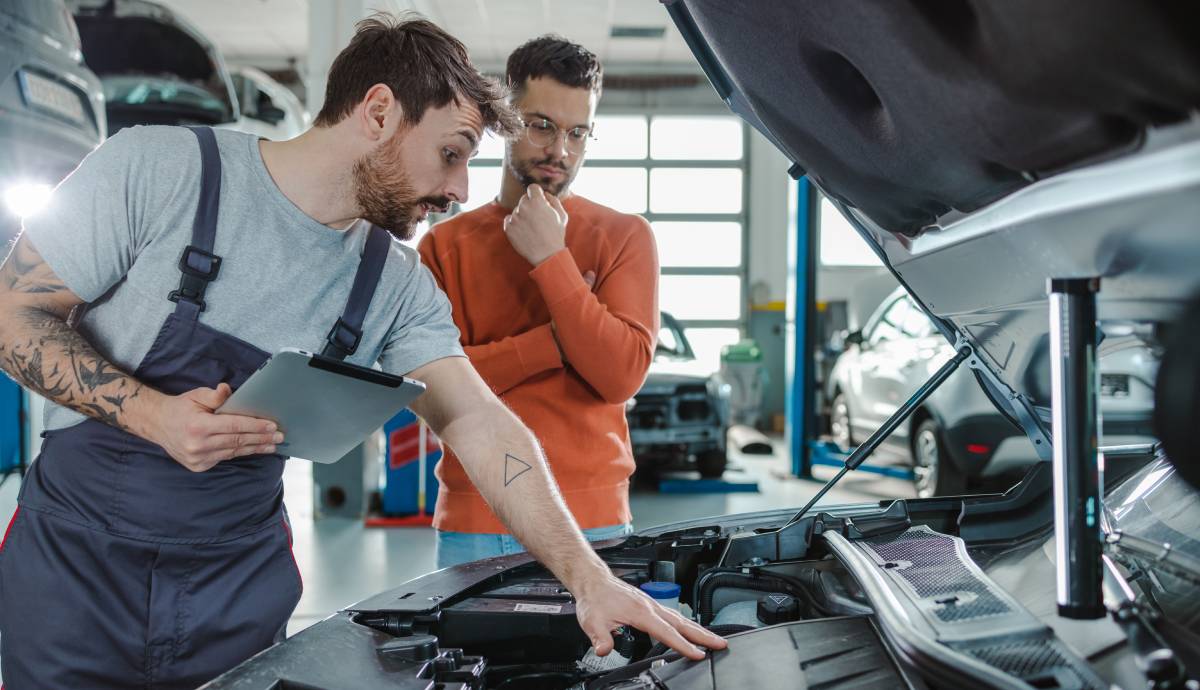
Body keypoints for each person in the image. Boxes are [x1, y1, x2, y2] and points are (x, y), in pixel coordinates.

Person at [0, 15, 721, 689]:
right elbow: (12, 314)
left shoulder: (392, 282)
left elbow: (476, 420)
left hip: (234, 592)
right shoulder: (159, 170)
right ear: (378, 111)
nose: (459, 188)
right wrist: (155, 416)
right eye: (450, 154)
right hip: (78, 576)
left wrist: (589, 577)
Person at [419, 36, 659, 567]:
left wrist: (551, 258)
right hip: (475, 520)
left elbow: (619, 375)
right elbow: (435, 394)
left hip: (595, 522)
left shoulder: (624, 236)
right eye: (542, 125)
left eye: (578, 133)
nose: (560, 151)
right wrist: (557, 342)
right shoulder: (443, 246)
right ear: (504, 118)